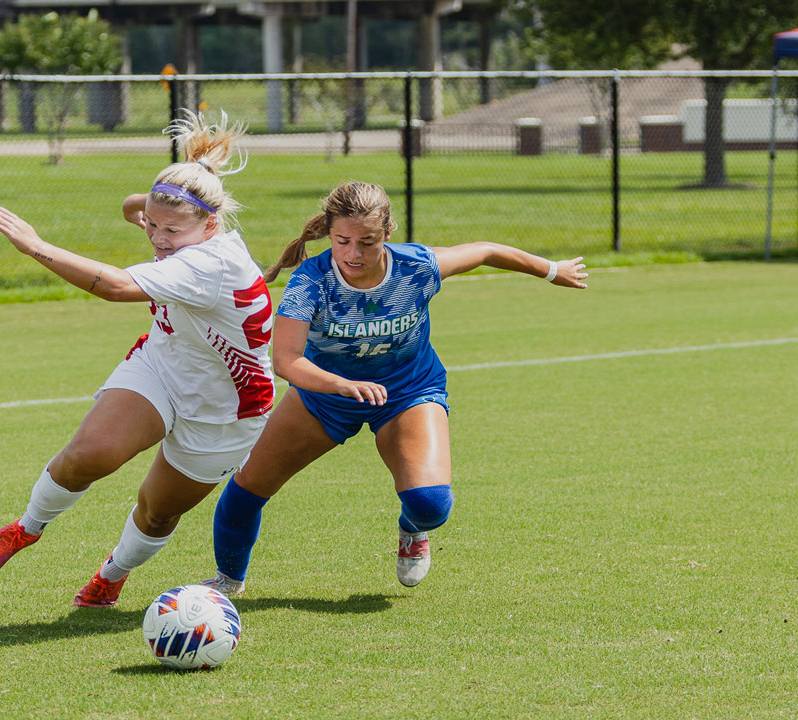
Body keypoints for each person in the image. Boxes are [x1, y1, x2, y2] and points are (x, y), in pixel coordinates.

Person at [203, 181, 588, 595]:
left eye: (367, 242)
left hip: (409, 392)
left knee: (431, 505)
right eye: (342, 241)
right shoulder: (310, 283)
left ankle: (411, 529)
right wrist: (342, 385)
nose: (353, 254)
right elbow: (287, 360)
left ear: (388, 232)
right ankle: (227, 583)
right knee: (246, 492)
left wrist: (551, 270)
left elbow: (486, 251)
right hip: (326, 398)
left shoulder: (417, 266)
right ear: (328, 234)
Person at [0, 110, 275, 608]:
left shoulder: (209, 264)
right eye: (152, 225)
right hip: (162, 363)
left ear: (211, 225)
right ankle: (25, 529)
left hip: (227, 409)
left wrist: (36, 247)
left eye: (170, 230)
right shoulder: (182, 228)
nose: (157, 238)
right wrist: (151, 207)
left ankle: (112, 574)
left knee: (156, 511)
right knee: (90, 455)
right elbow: (137, 205)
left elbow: (114, 286)